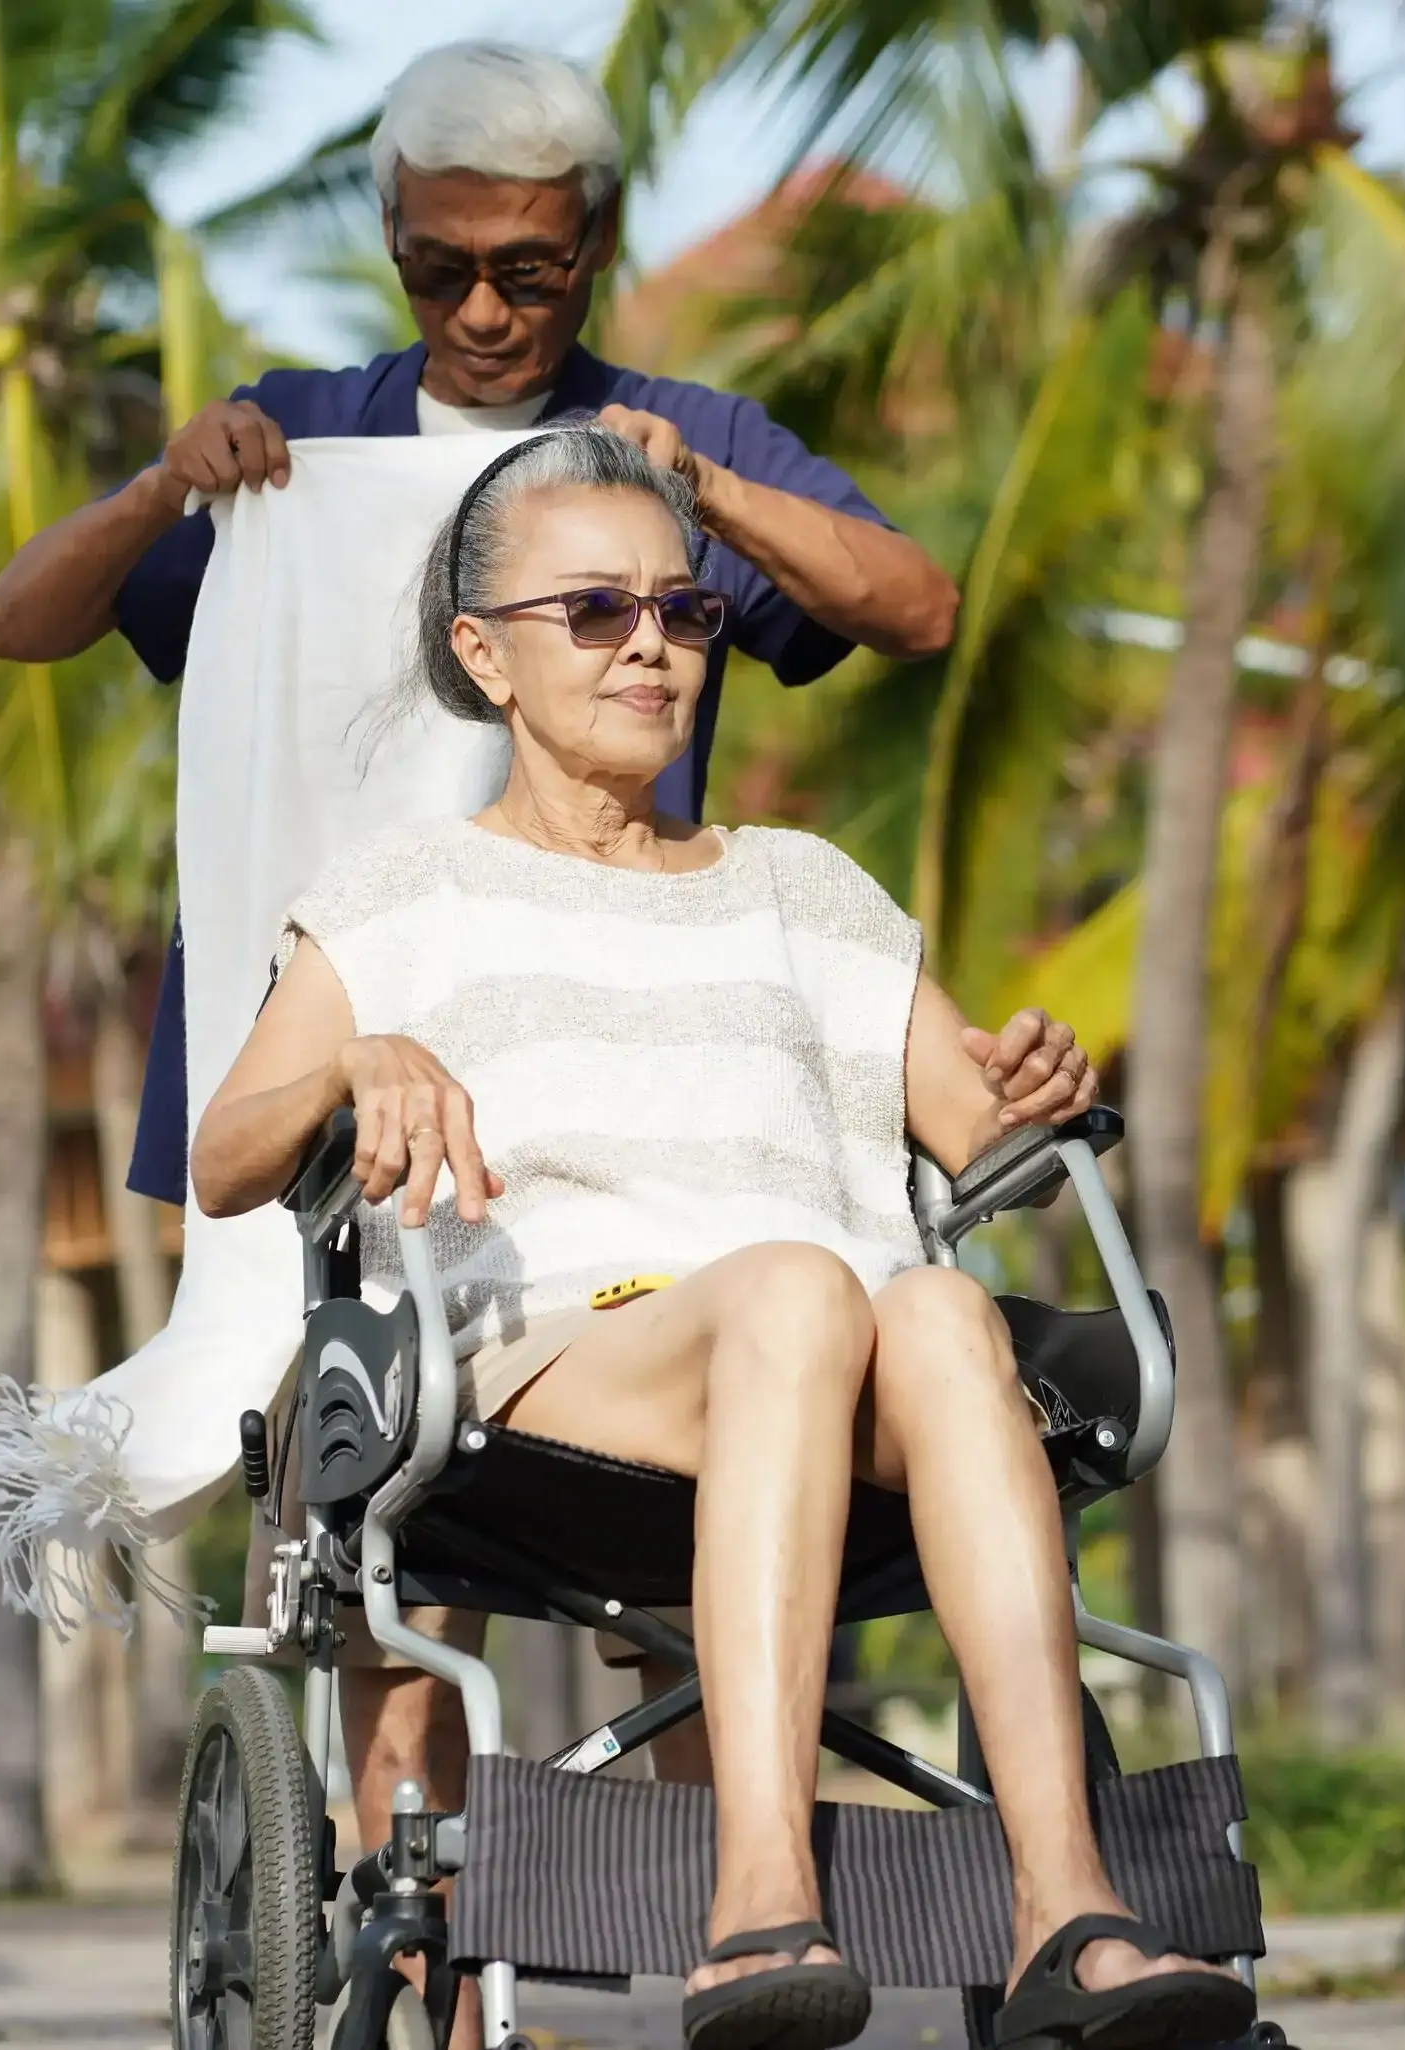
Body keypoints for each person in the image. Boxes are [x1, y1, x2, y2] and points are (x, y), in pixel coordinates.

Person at [0, 36, 957, 1910]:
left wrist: (707, 498)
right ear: (391, 242)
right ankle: (422, 1970)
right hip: (368, 1078)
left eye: (530, 268)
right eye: (442, 269)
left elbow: (914, 605)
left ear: (598, 242)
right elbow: (26, 620)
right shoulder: (306, 440)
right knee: (395, 1568)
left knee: (689, 1572)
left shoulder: (666, 442)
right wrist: (169, 489)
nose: (488, 311)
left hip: (628, 1101)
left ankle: (721, 1930)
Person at [191, 425, 1257, 2050]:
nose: (652, 646)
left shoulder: (804, 890)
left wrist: (1036, 1085)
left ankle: (1066, 1905)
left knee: (945, 1315)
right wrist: (350, 1061)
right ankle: (759, 1890)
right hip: (555, 1375)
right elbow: (224, 1158)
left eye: (682, 612)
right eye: (597, 610)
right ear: (484, 654)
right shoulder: (402, 895)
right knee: (801, 1292)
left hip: (847, 1374)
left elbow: (990, 1138)